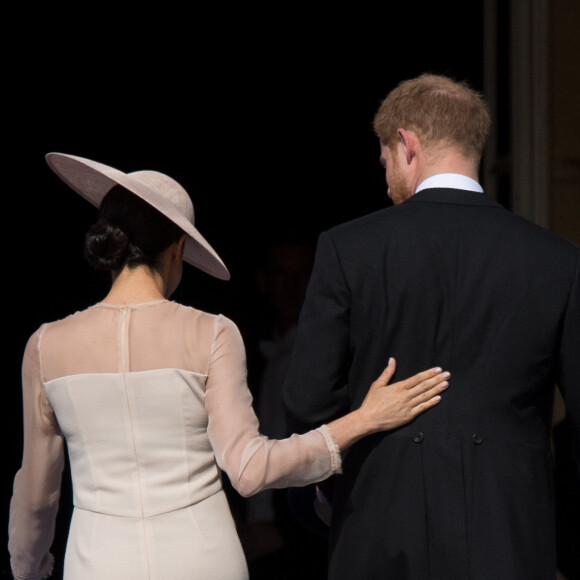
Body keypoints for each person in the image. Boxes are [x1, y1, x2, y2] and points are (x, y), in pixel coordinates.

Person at [7, 153, 451, 580]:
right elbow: (249, 469)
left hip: (98, 563)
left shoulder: (46, 346)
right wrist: (362, 420)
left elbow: (37, 491)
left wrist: (27, 567)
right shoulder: (211, 333)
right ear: (178, 249)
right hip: (202, 559)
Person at [282, 73, 580, 580]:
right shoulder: (557, 260)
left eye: (384, 162)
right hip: (511, 540)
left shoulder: (347, 248)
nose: (386, 180)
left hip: (377, 532)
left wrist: (330, 501)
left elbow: (307, 402)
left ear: (407, 144)